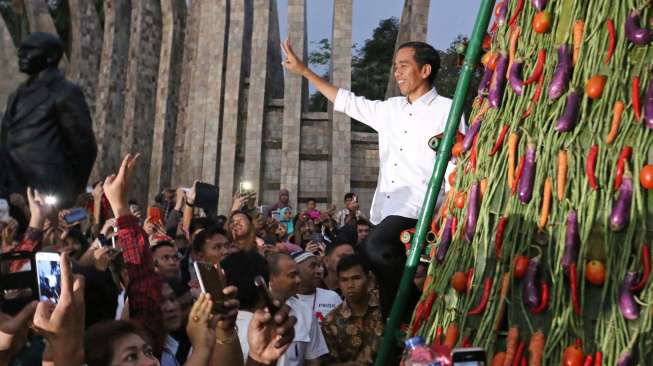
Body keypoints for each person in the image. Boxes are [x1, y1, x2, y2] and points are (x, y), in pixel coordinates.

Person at [282, 39, 463, 318]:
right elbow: (347, 101)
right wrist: (305, 71)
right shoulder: (390, 109)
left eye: (404, 66)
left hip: (422, 207)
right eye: (395, 67)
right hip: (387, 209)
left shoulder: (448, 109)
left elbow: (458, 162)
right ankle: (402, 336)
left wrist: (448, 211)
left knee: (372, 248)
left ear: (425, 70)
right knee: (386, 283)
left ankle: (421, 311)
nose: (397, 73)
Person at [0, 32, 97, 206]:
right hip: (14, 188)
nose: (21, 56)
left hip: (49, 190)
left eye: (30, 50)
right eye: (21, 50)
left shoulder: (64, 91)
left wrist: (73, 189)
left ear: (51, 56)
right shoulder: (17, 94)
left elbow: (84, 146)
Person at [321, 254, 383, 365]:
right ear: (339, 283)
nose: (350, 285)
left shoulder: (385, 307)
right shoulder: (330, 323)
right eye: (344, 280)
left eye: (356, 278)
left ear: (368, 279)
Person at [268, 253, 329, 366]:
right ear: (271, 278)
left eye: (298, 275)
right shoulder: (256, 312)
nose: (298, 280)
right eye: (292, 276)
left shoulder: (306, 312)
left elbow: (314, 361)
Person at [291, 251, 342, 323]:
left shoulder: (332, 297)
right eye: (312, 266)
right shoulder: (287, 300)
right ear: (296, 270)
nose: (319, 271)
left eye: (319, 266)